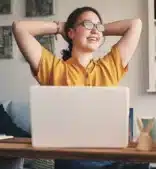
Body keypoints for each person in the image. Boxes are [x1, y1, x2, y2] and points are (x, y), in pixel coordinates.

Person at [11, 6, 147, 169]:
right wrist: (60, 27)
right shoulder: (54, 68)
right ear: (71, 33)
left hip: (113, 159)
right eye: (88, 24)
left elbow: (136, 24)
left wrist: (97, 29)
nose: (95, 30)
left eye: (99, 26)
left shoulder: (110, 66)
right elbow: (20, 28)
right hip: (73, 160)